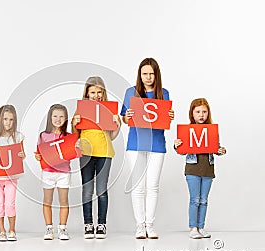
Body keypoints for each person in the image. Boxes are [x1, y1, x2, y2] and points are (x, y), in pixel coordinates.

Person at [121, 58, 174, 239]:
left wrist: (169, 116)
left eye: (151, 73)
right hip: (135, 144)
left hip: (157, 144)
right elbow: (124, 119)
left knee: (152, 186)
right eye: (145, 73)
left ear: (156, 74)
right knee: (138, 187)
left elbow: (162, 119)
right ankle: (139, 225)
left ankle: (150, 225)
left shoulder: (163, 93)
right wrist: (126, 116)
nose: (148, 77)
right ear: (140, 74)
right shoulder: (131, 92)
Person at [72, 76, 121, 239]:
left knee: (101, 190)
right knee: (87, 190)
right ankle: (88, 224)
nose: (96, 95)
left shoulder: (108, 109)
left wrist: (117, 124)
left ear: (103, 92)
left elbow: (112, 136)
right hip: (86, 152)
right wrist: (74, 123)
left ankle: (101, 224)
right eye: (92, 92)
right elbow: (75, 136)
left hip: (105, 152)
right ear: (87, 93)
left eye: (99, 92)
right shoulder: (81, 110)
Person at [174, 98, 226, 239]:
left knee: (204, 200)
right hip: (192, 169)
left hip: (208, 170)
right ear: (192, 113)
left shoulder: (211, 130)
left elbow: (215, 148)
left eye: (204, 111)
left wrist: (220, 150)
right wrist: (177, 145)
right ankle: (193, 228)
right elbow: (182, 151)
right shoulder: (187, 131)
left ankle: (201, 227)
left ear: (208, 113)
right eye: (198, 112)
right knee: (194, 199)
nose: (201, 115)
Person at [0, 105, 25, 241]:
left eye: (11, 120)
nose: (8, 122)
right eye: (5, 119)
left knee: (10, 204)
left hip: (11, 176)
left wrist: (21, 155)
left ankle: (12, 229)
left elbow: (22, 154)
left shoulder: (18, 137)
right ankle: (1, 230)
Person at [35, 104, 71, 240]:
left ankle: (62, 228)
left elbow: (73, 152)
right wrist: (38, 156)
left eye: (61, 116)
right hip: (48, 172)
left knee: (64, 201)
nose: (58, 119)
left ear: (66, 118)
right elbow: (39, 153)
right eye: (55, 116)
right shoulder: (43, 135)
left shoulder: (69, 136)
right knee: (47, 200)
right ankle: (49, 228)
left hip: (63, 173)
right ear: (50, 118)